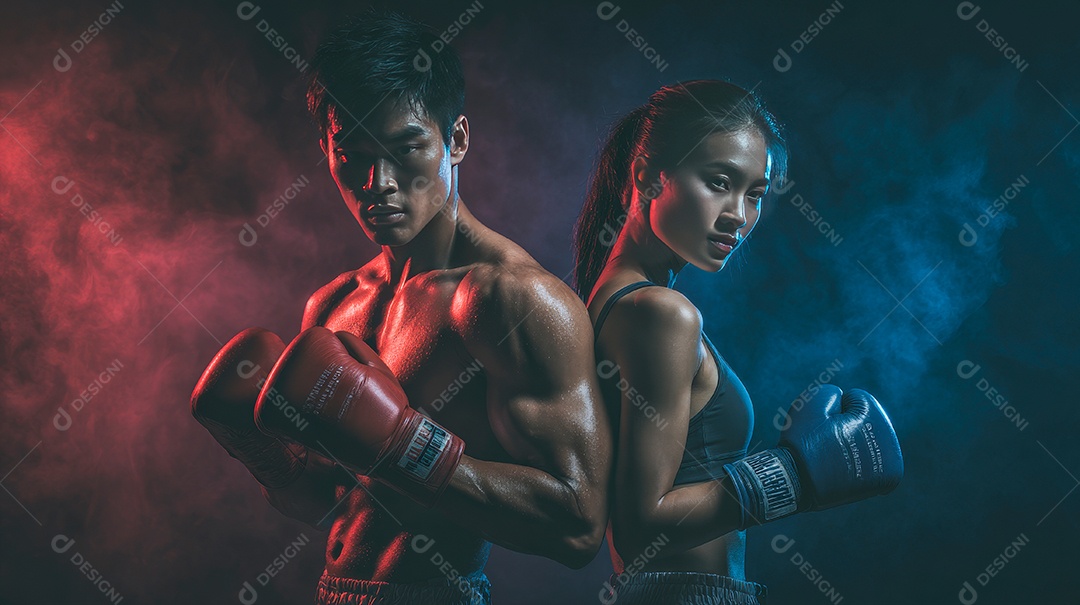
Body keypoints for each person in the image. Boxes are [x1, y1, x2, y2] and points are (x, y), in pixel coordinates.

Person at [191, 11, 612, 605]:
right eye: (352, 155)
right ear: (326, 149)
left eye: (405, 148)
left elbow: (577, 525)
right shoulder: (335, 304)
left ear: (456, 139)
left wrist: (402, 444)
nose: (378, 181)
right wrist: (268, 458)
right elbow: (331, 505)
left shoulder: (512, 300)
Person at [573, 80, 904, 605]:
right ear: (646, 175)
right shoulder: (659, 312)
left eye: (754, 194)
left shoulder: (616, 298)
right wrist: (793, 476)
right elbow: (640, 526)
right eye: (719, 181)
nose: (739, 215)